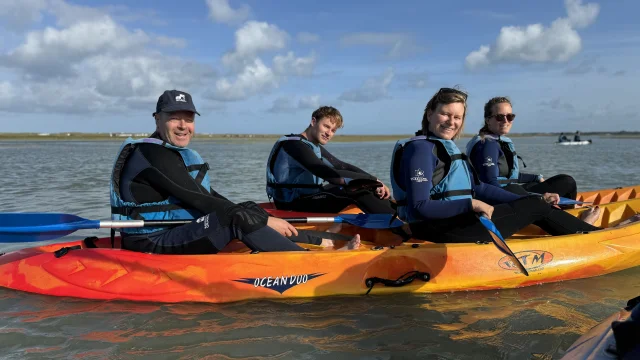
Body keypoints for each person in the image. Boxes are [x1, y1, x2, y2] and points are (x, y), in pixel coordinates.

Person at [110, 90, 360, 254]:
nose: (184, 126)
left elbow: (206, 193)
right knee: (237, 217)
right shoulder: (153, 155)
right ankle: (309, 261)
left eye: (188, 118)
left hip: (173, 228)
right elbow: (200, 200)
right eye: (175, 118)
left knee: (247, 208)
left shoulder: (166, 151)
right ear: (157, 119)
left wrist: (255, 214)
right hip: (151, 241)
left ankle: (320, 241)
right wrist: (263, 220)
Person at [389, 87, 602, 244]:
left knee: (534, 203)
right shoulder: (420, 150)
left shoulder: (443, 147)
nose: (451, 122)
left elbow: (480, 187)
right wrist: (471, 204)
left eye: (457, 117)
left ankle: (578, 230)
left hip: (456, 221)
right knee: (536, 206)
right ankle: (592, 237)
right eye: (445, 114)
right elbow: (420, 206)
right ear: (429, 114)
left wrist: (526, 199)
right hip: (437, 230)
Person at [265, 106, 395, 214]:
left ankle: (397, 213)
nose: (329, 133)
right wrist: (371, 181)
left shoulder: (311, 145)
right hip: (292, 204)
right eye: (326, 126)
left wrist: (375, 180)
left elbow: (340, 166)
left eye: (333, 130)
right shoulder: (293, 145)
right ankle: (399, 227)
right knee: (358, 189)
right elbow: (326, 172)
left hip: (308, 197)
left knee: (365, 185)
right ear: (313, 121)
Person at [466, 96, 579, 201]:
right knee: (568, 182)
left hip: (509, 189)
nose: (506, 121)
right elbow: (490, 183)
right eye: (500, 117)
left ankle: (566, 210)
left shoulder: (498, 141)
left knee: (564, 180)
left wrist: (536, 178)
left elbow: (510, 177)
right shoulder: (487, 145)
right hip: (502, 198)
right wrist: (536, 198)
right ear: (488, 120)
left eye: (510, 116)